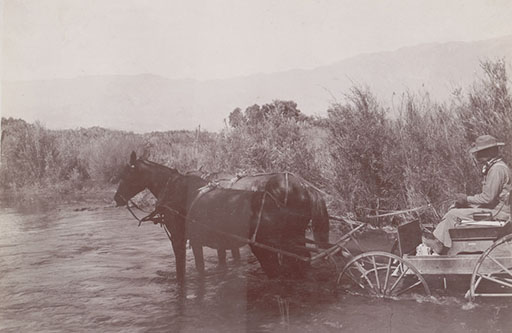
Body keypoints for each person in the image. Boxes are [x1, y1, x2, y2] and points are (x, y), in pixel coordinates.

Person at [425, 135, 511, 254]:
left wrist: (466, 199)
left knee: (452, 215)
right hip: (496, 209)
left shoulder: (497, 170)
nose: (477, 156)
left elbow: (488, 198)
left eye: (479, 152)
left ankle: (440, 244)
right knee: (455, 209)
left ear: (489, 152)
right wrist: (466, 202)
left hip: (498, 213)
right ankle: (441, 240)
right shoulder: (495, 167)